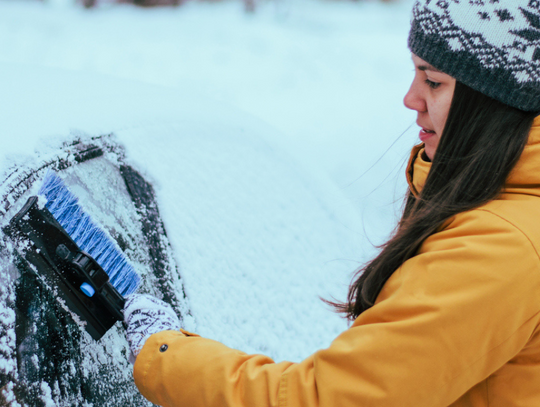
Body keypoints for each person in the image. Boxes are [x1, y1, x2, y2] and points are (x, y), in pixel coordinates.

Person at [123, 0, 540, 405]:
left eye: (432, 81)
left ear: (492, 102)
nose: (410, 99)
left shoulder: (497, 249)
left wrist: (163, 358)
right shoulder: (507, 215)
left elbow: (327, 400)